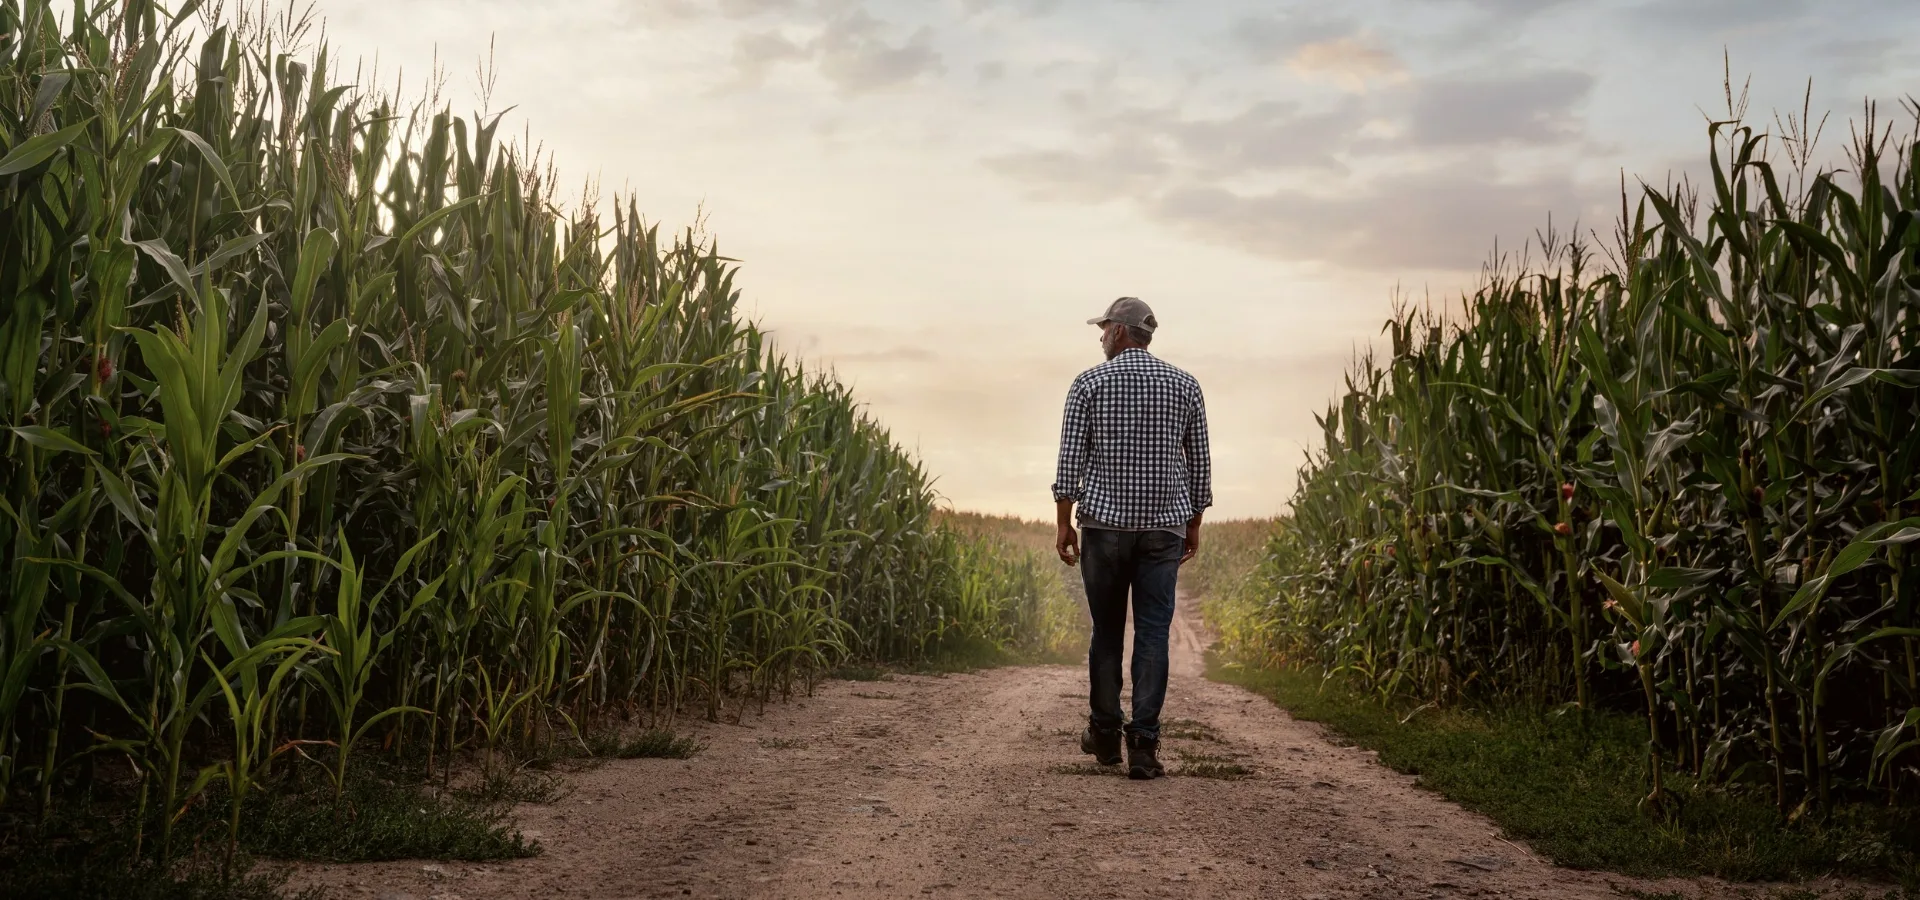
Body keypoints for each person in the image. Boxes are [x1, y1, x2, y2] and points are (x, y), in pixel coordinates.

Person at [1051, 297, 1212, 780]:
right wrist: (1194, 521)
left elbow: (1069, 461)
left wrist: (1063, 521)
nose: (1100, 337)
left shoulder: (1089, 383)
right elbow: (1199, 462)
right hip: (1163, 530)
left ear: (1120, 333)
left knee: (1106, 632)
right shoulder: (1185, 384)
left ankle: (1104, 734)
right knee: (1153, 634)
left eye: (1103, 329)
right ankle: (1143, 744)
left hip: (1103, 529)